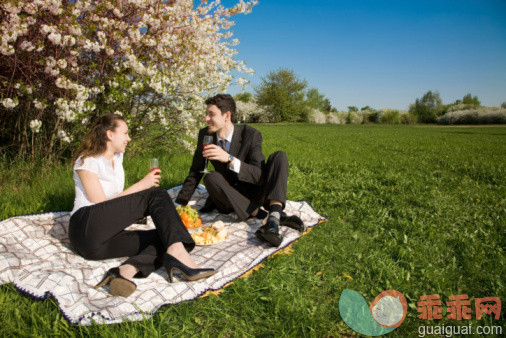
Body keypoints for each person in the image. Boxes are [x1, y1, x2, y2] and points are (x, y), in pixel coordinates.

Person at [69, 113, 216, 298]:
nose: (128, 138)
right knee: (156, 194)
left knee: (167, 236)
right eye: (125, 133)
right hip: (85, 227)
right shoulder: (87, 160)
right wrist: (142, 186)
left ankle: (125, 272)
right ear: (109, 134)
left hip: (99, 245)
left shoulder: (117, 160)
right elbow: (101, 204)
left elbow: (116, 204)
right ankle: (179, 254)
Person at [176, 94, 305, 247]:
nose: (206, 118)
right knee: (210, 177)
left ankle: (274, 218)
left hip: (254, 191)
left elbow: (259, 176)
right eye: (206, 114)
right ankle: (267, 216)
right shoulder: (205, 135)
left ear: (227, 115)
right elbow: (196, 170)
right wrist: (181, 203)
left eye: (211, 114)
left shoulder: (251, 135)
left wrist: (230, 159)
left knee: (280, 157)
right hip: (227, 198)